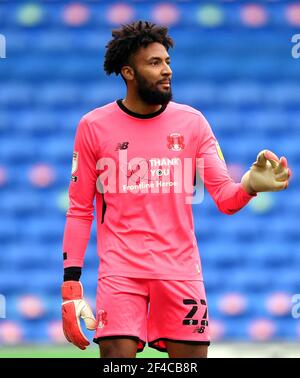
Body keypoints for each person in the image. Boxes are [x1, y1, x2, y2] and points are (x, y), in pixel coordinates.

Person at [61, 20, 291, 358]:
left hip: (180, 272)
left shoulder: (192, 123)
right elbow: (80, 210)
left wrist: (249, 185)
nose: (166, 70)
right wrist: (71, 288)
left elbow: (226, 199)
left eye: (167, 61)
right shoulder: (94, 126)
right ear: (128, 72)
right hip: (121, 273)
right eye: (154, 63)